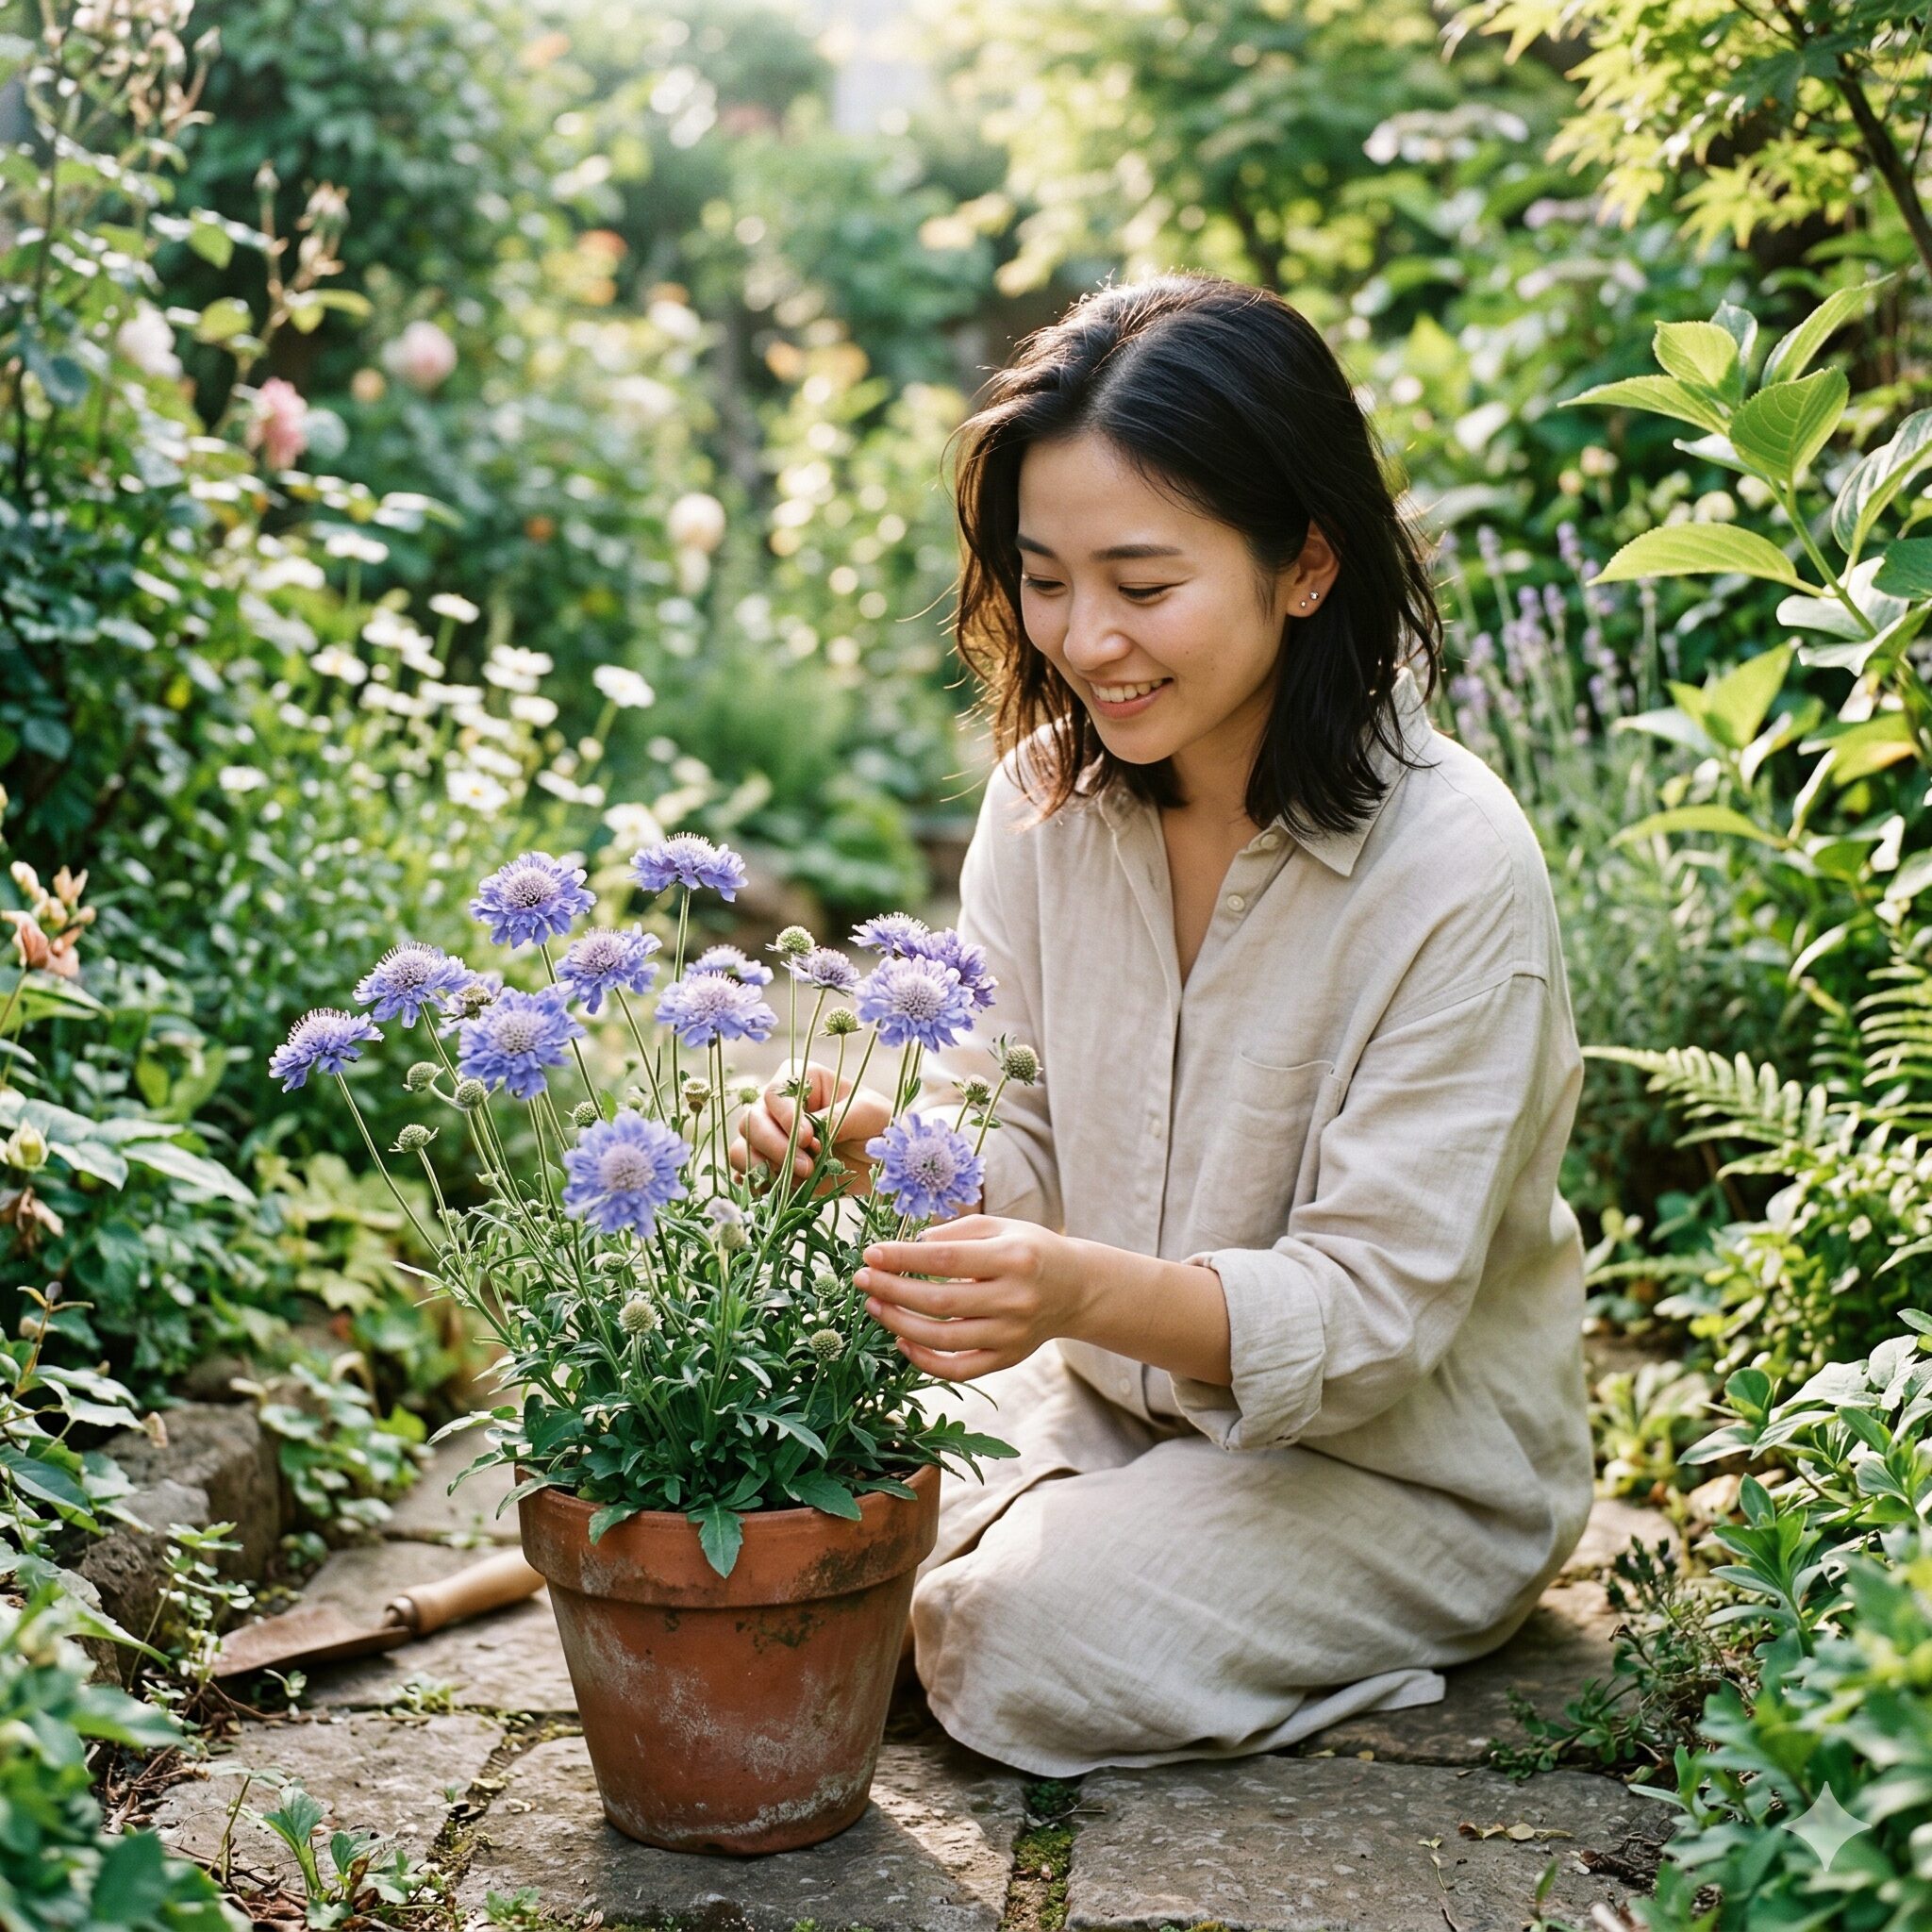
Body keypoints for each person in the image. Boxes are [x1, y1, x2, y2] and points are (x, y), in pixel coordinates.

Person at [729, 271, 1594, 1778]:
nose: (1083, 639)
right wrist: (876, 1150)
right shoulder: (1047, 800)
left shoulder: (1456, 871)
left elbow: (1370, 1319)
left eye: (1143, 586)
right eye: (1043, 578)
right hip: (1105, 1407)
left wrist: (1066, 1292)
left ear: (1306, 564)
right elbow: (1020, 1159)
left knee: (1004, 1639)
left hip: (1387, 1471)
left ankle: (1331, 1640)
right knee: (756, 1517)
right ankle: (1036, 1551)